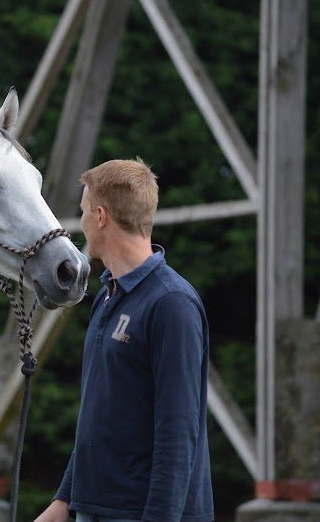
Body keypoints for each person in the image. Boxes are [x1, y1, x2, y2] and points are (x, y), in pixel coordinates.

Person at [35, 159, 214, 522]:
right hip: (95, 508)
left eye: (83, 211)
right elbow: (99, 418)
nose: (81, 221)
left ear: (100, 216)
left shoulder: (171, 303)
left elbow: (178, 433)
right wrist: (64, 500)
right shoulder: (106, 298)